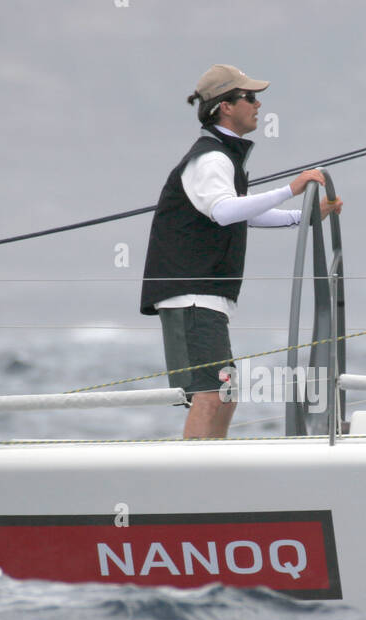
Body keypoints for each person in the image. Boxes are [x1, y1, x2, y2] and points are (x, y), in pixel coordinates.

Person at [140, 64, 343, 439]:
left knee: (225, 394)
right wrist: (291, 189)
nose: (258, 104)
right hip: (192, 297)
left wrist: (306, 217)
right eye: (249, 97)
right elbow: (225, 211)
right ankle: (196, 483)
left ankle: (210, 476)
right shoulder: (211, 158)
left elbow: (241, 212)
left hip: (204, 299)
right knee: (212, 395)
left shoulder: (222, 156)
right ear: (225, 107)